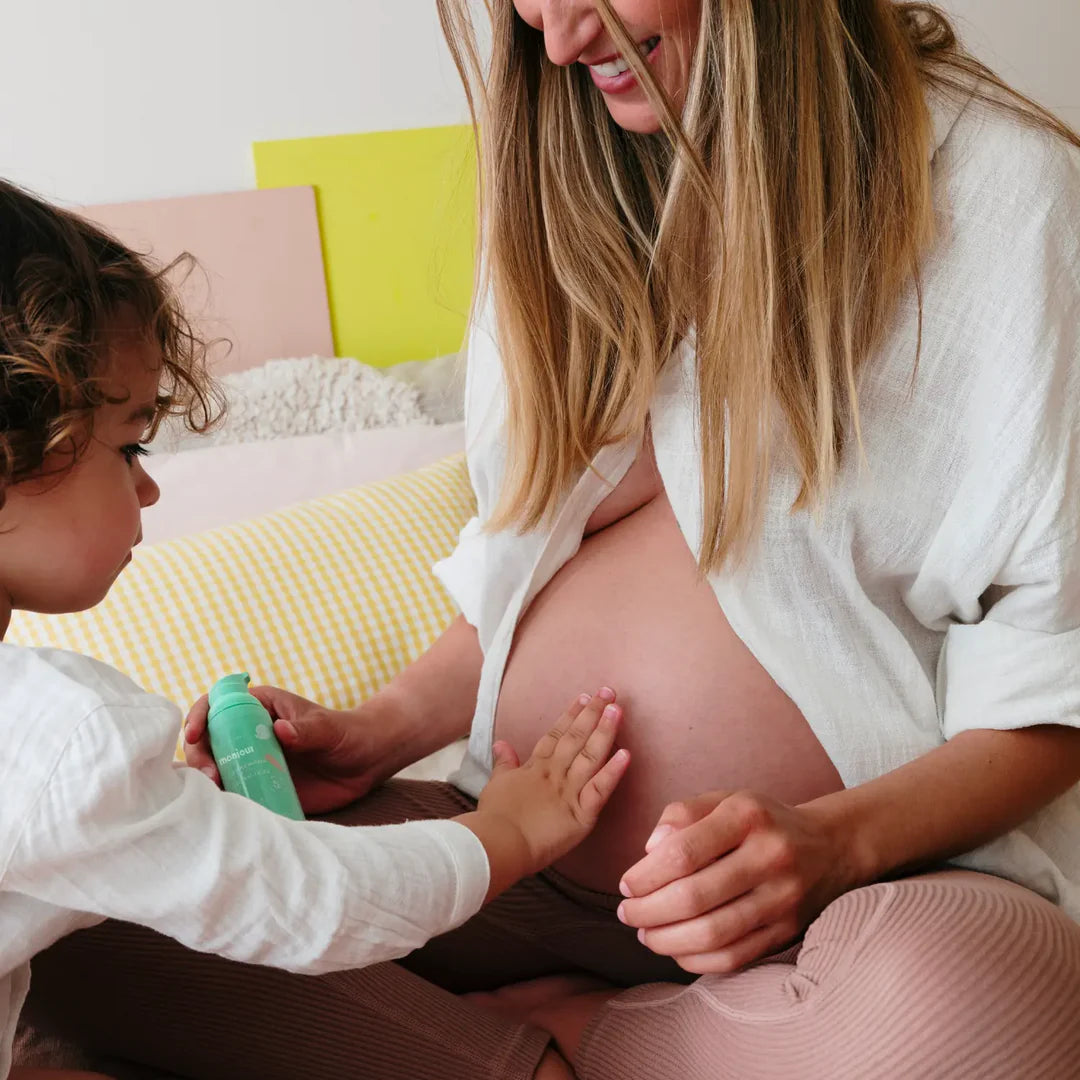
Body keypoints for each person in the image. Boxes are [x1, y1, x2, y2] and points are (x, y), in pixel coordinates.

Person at [19, 1, 1080, 1078]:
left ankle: (582, 1042)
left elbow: (1057, 682)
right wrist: (383, 727)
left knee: (977, 1012)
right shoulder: (566, 178)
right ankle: (538, 1056)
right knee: (88, 898)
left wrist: (831, 845)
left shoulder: (1007, 196)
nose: (557, 35)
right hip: (519, 854)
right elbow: (524, 549)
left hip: (859, 891)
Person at [0, 178, 631, 1080]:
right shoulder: (62, 736)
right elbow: (309, 900)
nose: (148, 489)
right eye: (130, 446)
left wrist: (176, 816)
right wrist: (511, 834)